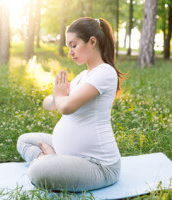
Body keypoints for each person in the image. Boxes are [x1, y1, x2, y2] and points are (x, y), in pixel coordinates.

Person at [17, 17, 125, 192]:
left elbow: (66, 107)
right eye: (68, 47)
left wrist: (60, 97)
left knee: (37, 172)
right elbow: (49, 104)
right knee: (24, 141)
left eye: (73, 45)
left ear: (92, 42)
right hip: (67, 152)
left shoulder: (105, 73)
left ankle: (49, 159)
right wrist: (57, 95)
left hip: (99, 166)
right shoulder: (83, 76)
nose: (70, 52)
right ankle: (52, 159)